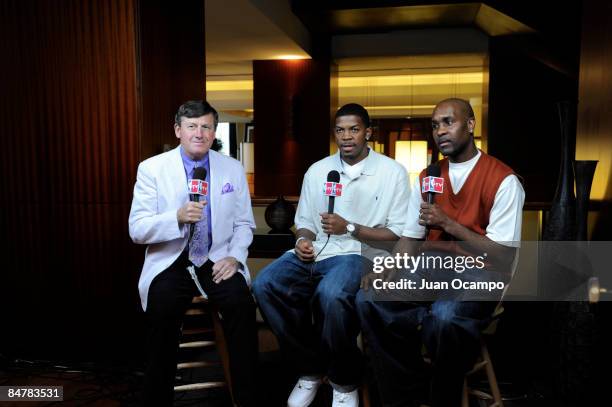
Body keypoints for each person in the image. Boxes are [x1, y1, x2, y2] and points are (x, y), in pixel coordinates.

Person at [356, 98, 525, 407]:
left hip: (483, 270)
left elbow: (502, 255)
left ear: (470, 125)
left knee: (444, 318)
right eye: (435, 125)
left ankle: (440, 396)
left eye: (449, 122)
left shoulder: (504, 180)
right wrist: (390, 267)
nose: (440, 131)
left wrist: (449, 223)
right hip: (433, 266)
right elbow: (411, 236)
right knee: (369, 298)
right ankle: (406, 392)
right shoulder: (428, 175)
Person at [252, 103, 410, 407]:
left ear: (368, 132)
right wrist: (302, 240)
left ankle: (343, 378)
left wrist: (349, 227)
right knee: (265, 285)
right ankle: (310, 368)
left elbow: (397, 233)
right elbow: (305, 222)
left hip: (358, 253)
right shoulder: (319, 170)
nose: (346, 136)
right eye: (340, 130)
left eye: (354, 129)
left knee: (332, 294)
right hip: (315, 253)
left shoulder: (392, 173)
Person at [128, 100, 258, 406]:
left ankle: (247, 398)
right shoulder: (152, 169)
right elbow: (137, 229)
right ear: (178, 130)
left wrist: (235, 257)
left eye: (206, 127)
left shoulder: (232, 168)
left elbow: (244, 224)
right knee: (162, 310)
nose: (199, 133)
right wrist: (176, 217)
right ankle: (156, 400)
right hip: (172, 260)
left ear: (213, 132)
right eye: (191, 126)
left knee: (241, 303)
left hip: (216, 258)